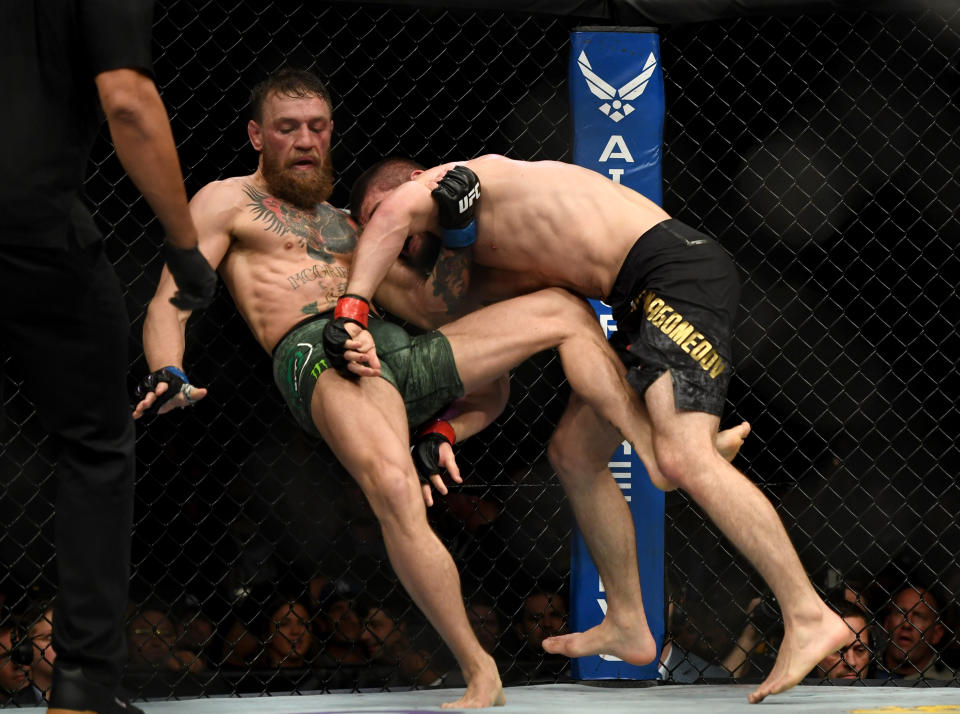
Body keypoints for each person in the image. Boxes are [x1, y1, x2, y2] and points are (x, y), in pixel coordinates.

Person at [134, 67, 731, 708]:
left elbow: (430, 310)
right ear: (257, 135)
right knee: (395, 488)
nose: (305, 141)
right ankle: (480, 670)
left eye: (317, 127)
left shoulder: (351, 228)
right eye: (287, 128)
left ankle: (655, 445)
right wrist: (168, 368)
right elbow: (172, 299)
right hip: (320, 356)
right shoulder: (226, 201)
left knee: (561, 308)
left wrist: (460, 237)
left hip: (390, 344)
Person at [343, 154, 852, 704]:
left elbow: (394, 210)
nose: (387, 237)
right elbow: (497, 380)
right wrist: (443, 430)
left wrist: (352, 308)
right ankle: (630, 621)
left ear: (412, 186)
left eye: (378, 219)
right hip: (637, 302)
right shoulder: (477, 261)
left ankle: (807, 613)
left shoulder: (455, 182)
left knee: (684, 460)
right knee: (575, 454)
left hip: (674, 275)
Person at [0, 2, 217, 712]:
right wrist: (184, 246)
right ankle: (83, 684)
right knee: (96, 443)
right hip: (28, 218)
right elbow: (127, 98)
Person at [878, 585, 954, 680]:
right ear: (887, 624)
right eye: (901, 613)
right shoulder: (864, 667)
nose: (906, 624)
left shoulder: (952, 684)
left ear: (936, 634)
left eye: (919, 616)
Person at [810, 600, 872, 681]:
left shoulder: (888, 685)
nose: (851, 662)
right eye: (837, 651)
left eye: (860, 650)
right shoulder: (795, 688)